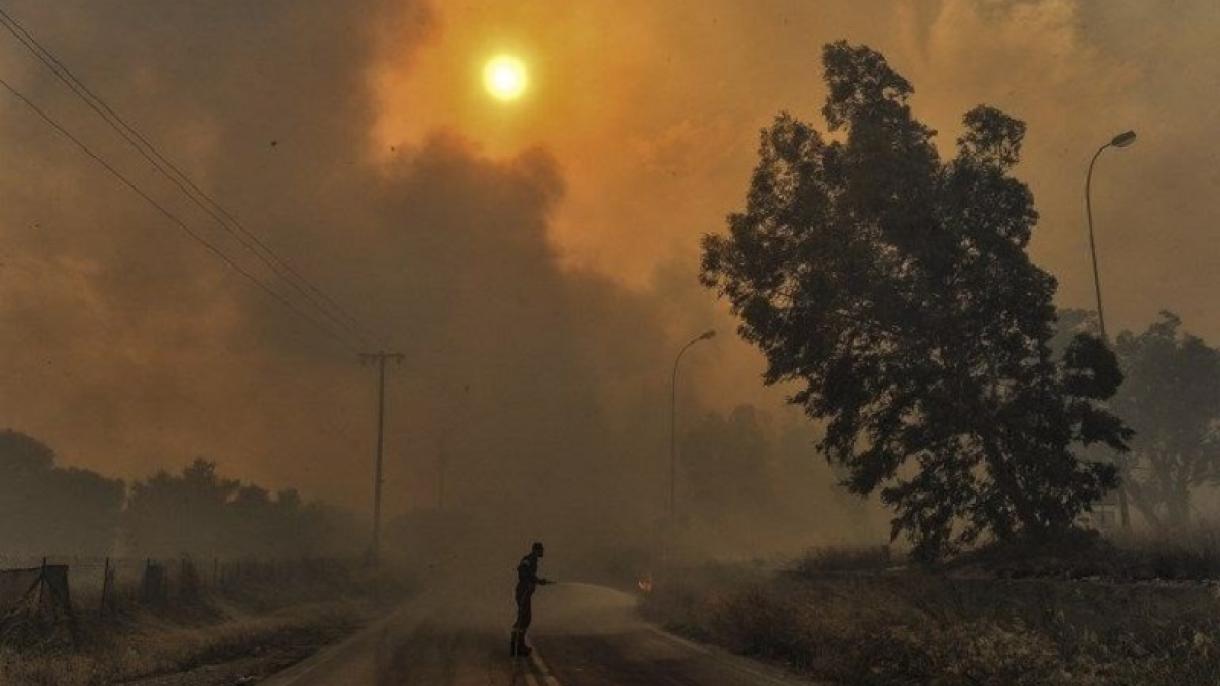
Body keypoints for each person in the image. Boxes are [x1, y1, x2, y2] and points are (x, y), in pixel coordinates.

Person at [510, 541, 552, 657]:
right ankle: (517, 646)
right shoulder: (530, 559)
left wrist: (538, 581)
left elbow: (528, 573)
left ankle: (517, 645)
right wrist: (534, 581)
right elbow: (522, 570)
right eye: (541, 550)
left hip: (525, 592)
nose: (543, 552)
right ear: (536, 550)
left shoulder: (533, 560)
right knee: (524, 618)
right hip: (523, 592)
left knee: (524, 618)